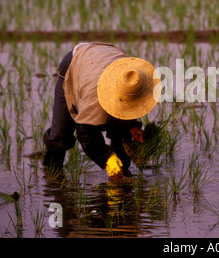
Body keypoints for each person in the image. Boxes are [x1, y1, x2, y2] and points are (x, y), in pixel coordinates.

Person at [42, 42, 160, 180]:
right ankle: (51, 176)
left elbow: (129, 106)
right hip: (76, 63)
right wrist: (106, 158)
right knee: (60, 136)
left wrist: (131, 126)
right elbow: (85, 133)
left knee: (121, 131)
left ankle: (122, 174)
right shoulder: (93, 95)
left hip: (108, 57)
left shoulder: (135, 79)